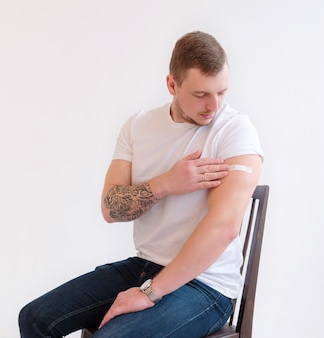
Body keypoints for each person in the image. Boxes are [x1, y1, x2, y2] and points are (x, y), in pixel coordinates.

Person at [19, 31, 264, 338]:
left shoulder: (235, 131)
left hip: (206, 286)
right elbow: (111, 208)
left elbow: (223, 228)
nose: (213, 106)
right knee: (34, 318)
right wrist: (166, 183)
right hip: (143, 266)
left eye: (222, 92)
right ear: (172, 85)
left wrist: (149, 293)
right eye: (201, 94)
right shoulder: (139, 126)